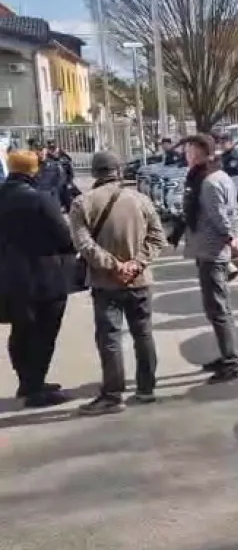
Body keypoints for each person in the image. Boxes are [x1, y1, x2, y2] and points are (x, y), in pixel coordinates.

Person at [69, 151, 166, 416]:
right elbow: (158, 238)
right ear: (119, 171)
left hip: (106, 283)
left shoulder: (82, 203)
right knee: (143, 333)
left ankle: (112, 395)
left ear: (94, 173)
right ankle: (146, 388)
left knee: (109, 338)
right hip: (139, 280)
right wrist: (136, 264)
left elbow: (83, 244)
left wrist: (113, 266)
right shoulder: (141, 199)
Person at [0, 150, 77, 408]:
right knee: (43, 334)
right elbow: (64, 237)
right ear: (34, 170)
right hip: (43, 276)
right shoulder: (40, 199)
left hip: (7, 277)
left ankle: (27, 382)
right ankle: (35, 389)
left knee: (20, 331)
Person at [171, 134, 238, 383]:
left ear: (200, 154)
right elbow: (235, 211)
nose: (186, 155)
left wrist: (232, 239)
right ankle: (226, 355)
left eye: (189, 151)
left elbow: (220, 217)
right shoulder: (220, 176)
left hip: (212, 251)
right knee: (218, 307)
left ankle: (231, 361)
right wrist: (235, 235)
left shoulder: (209, 182)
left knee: (218, 308)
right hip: (211, 249)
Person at [28, 138, 67, 204]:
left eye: (42, 149)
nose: (41, 152)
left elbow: (61, 181)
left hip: (50, 197)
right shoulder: (30, 165)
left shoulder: (55, 164)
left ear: (46, 150)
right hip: (35, 198)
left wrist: (53, 193)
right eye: (39, 150)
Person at [47, 140, 80, 212]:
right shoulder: (46, 158)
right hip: (53, 184)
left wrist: (69, 181)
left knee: (72, 194)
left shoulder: (64, 157)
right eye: (51, 149)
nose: (53, 152)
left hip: (64, 182)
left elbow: (70, 172)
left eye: (54, 149)